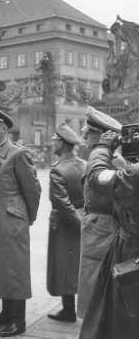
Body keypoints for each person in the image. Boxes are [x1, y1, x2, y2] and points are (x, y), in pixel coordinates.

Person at [0, 106, 41, 337]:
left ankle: (18, 319)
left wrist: (26, 217)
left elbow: (32, 190)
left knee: (14, 269)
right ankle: (5, 313)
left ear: (4, 128)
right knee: (0, 267)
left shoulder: (17, 154)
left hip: (12, 220)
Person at [79, 127, 139, 339]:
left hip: (131, 252)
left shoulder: (134, 174)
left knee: (119, 319)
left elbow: (97, 177)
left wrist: (102, 148)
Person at [78, 106, 122, 318]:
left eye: (88, 131)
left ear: (102, 136)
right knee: (90, 279)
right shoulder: (101, 157)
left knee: (95, 280)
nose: (83, 134)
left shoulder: (111, 160)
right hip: (96, 226)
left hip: (103, 228)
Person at [46, 124, 86, 322]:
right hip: (83, 217)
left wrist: (77, 223)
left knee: (63, 266)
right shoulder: (84, 164)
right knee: (80, 265)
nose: (52, 142)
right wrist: (84, 222)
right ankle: (80, 309)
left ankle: (68, 310)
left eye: (54, 139)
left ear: (61, 143)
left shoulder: (57, 169)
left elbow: (61, 202)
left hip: (63, 224)